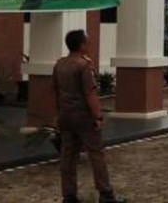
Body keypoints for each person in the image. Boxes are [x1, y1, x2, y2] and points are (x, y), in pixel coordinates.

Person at [52, 30, 125, 203]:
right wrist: (97, 116)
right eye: (87, 42)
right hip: (83, 116)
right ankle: (105, 192)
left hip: (65, 115)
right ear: (81, 45)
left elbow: (54, 91)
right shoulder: (83, 66)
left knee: (67, 156)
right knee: (96, 153)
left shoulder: (59, 64)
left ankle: (68, 195)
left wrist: (58, 114)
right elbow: (90, 94)